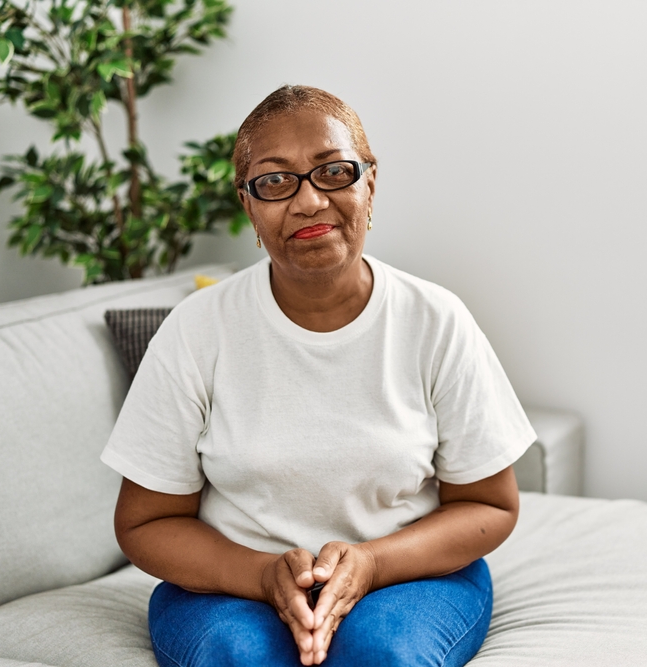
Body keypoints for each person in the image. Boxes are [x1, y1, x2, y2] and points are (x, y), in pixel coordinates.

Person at [101, 85, 536, 667]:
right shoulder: (196, 330)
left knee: (383, 656)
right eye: (276, 181)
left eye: (333, 172)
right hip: (234, 579)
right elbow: (146, 522)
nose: (308, 202)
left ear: (370, 184)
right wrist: (260, 575)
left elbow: (490, 506)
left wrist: (373, 562)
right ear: (248, 206)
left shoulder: (436, 320)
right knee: (238, 657)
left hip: (406, 576)